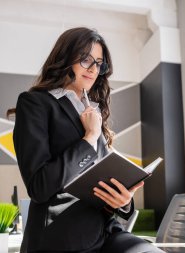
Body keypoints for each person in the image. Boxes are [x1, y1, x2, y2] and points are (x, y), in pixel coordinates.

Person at [11, 27, 164, 253]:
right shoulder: (35, 103)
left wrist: (123, 201)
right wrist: (89, 138)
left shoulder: (92, 110)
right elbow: (39, 186)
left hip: (106, 231)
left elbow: (103, 176)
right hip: (62, 237)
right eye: (86, 60)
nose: (93, 69)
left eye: (99, 63)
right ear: (65, 58)